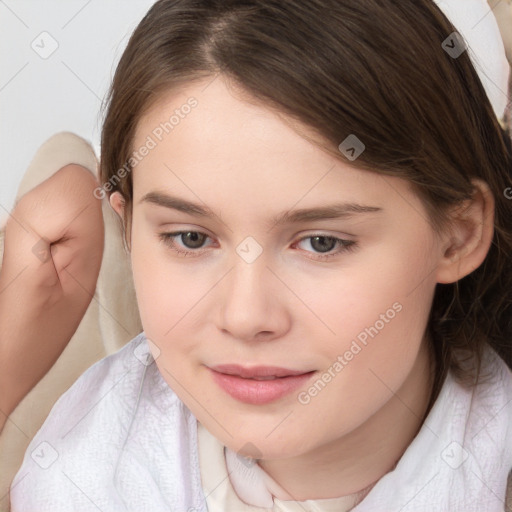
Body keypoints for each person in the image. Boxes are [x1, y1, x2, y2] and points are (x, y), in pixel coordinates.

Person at [8, 0, 512, 510]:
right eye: (191, 238)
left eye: (321, 243)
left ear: (458, 236)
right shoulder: (79, 478)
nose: (246, 317)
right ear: (129, 227)